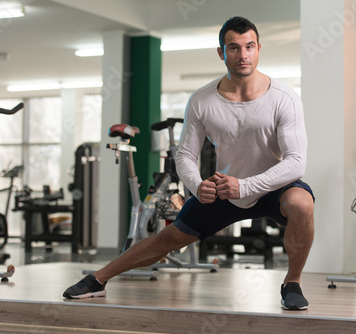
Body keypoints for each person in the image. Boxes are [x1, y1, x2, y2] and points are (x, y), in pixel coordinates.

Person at [63, 16, 315, 311]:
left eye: (249, 47)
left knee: (301, 203)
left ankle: (292, 282)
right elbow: (184, 155)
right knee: (168, 239)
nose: (243, 55)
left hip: (273, 187)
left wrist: (245, 186)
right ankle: (98, 280)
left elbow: (296, 162)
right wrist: (196, 186)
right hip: (224, 189)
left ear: (259, 48)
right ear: (221, 53)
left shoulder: (283, 98)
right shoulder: (203, 100)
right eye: (233, 48)